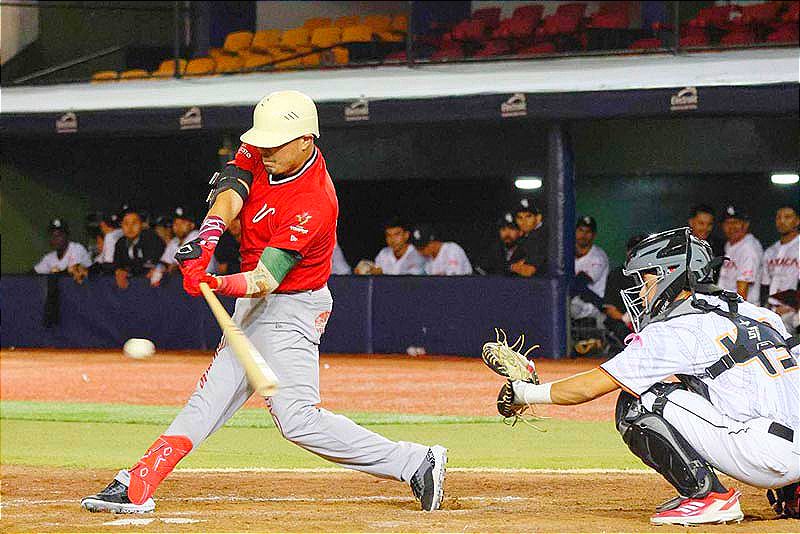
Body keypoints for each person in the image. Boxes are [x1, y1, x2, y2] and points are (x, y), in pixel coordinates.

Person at [81, 90, 446, 515]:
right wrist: (208, 237)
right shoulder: (265, 145)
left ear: (307, 141)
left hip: (292, 307)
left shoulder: (314, 201)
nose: (265, 150)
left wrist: (212, 281)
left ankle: (416, 461)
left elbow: (265, 277)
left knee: (298, 421)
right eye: (263, 142)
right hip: (253, 305)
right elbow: (233, 187)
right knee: (211, 396)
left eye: (276, 143)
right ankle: (140, 479)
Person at [483, 227, 799, 526]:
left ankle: (709, 496)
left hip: (766, 456)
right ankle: (795, 491)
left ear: (668, 276)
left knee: (639, 400)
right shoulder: (757, 313)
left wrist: (524, 394)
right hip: (789, 446)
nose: (640, 290)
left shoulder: (675, 329)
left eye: (646, 280)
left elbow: (591, 386)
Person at [570, 216, 610, 354]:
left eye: (588, 232)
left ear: (594, 235)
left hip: (592, 308)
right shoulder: (567, 254)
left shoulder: (598, 256)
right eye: (581, 230)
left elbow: (580, 284)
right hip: (574, 305)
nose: (584, 235)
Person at [601, 234, 646, 350]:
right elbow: (610, 309)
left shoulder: (653, 273)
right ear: (628, 252)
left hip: (647, 320)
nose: (636, 255)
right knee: (618, 326)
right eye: (634, 250)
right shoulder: (616, 275)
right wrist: (627, 319)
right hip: (623, 321)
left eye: (641, 250)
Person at [761, 205, 799, 331]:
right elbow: (765, 285)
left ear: (797, 221)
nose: (782, 221)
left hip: (793, 313)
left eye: (787, 217)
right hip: (772, 311)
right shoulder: (770, 251)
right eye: (778, 217)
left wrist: (795, 308)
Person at [718, 205, 763, 304]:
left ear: (746, 224)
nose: (731, 227)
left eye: (736, 222)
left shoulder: (749, 248)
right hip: (726, 306)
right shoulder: (730, 245)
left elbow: (742, 294)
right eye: (727, 223)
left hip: (742, 312)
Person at [113, 207, 165, 289]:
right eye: (126, 224)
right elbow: (117, 264)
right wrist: (119, 271)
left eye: (134, 223)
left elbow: (150, 265)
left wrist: (127, 271)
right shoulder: (120, 242)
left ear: (141, 224)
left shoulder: (151, 239)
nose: (130, 228)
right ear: (121, 225)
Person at [356, 218, 426, 275]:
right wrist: (367, 271)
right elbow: (377, 271)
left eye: (397, 234)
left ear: (406, 235)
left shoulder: (418, 253)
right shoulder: (384, 253)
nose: (392, 240)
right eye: (389, 235)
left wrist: (381, 272)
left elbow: (408, 282)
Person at [149, 207, 198, 287]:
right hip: (187, 285)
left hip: (207, 285)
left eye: (183, 223)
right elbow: (165, 263)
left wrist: (169, 268)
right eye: (175, 223)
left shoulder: (197, 236)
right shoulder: (174, 242)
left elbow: (184, 265)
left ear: (192, 225)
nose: (178, 227)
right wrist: (157, 270)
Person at [33, 218, 92, 283]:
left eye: (59, 235)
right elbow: (32, 274)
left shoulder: (77, 249)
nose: (55, 239)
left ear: (67, 235)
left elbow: (72, 272)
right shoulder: (49, 258)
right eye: (53, 235)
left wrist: (53, 274)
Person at [510, 198, 546, 278]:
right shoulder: (526, 236)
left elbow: (528, 271)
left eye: (528, 216)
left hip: (539, 287)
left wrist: (511, 267)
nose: (524, 221)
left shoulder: (541, 236)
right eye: (520, 217)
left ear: (538, 218)